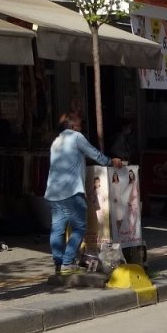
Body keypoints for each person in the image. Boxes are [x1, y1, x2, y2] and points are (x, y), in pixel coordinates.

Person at [45, 112, 122, 276]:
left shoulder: (56, 141)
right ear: (73, 126)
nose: (82, 128)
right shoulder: (76, 137)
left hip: (53, 191)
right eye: (80, 125)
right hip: (71, 191)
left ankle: (58, 263)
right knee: (79, 227)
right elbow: (94, 153)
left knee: (57, 229)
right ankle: (67, 261)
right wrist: (110, 162)